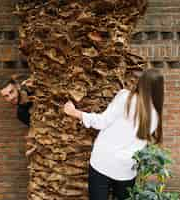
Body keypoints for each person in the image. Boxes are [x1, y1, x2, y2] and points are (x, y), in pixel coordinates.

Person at [63, 68, 164, 200]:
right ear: (159, 89)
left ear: (141, 82)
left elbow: (102, 121)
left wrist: (75, 113)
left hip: (103, 162)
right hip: (126, 170)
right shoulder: (155, 116)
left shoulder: (125, 97)